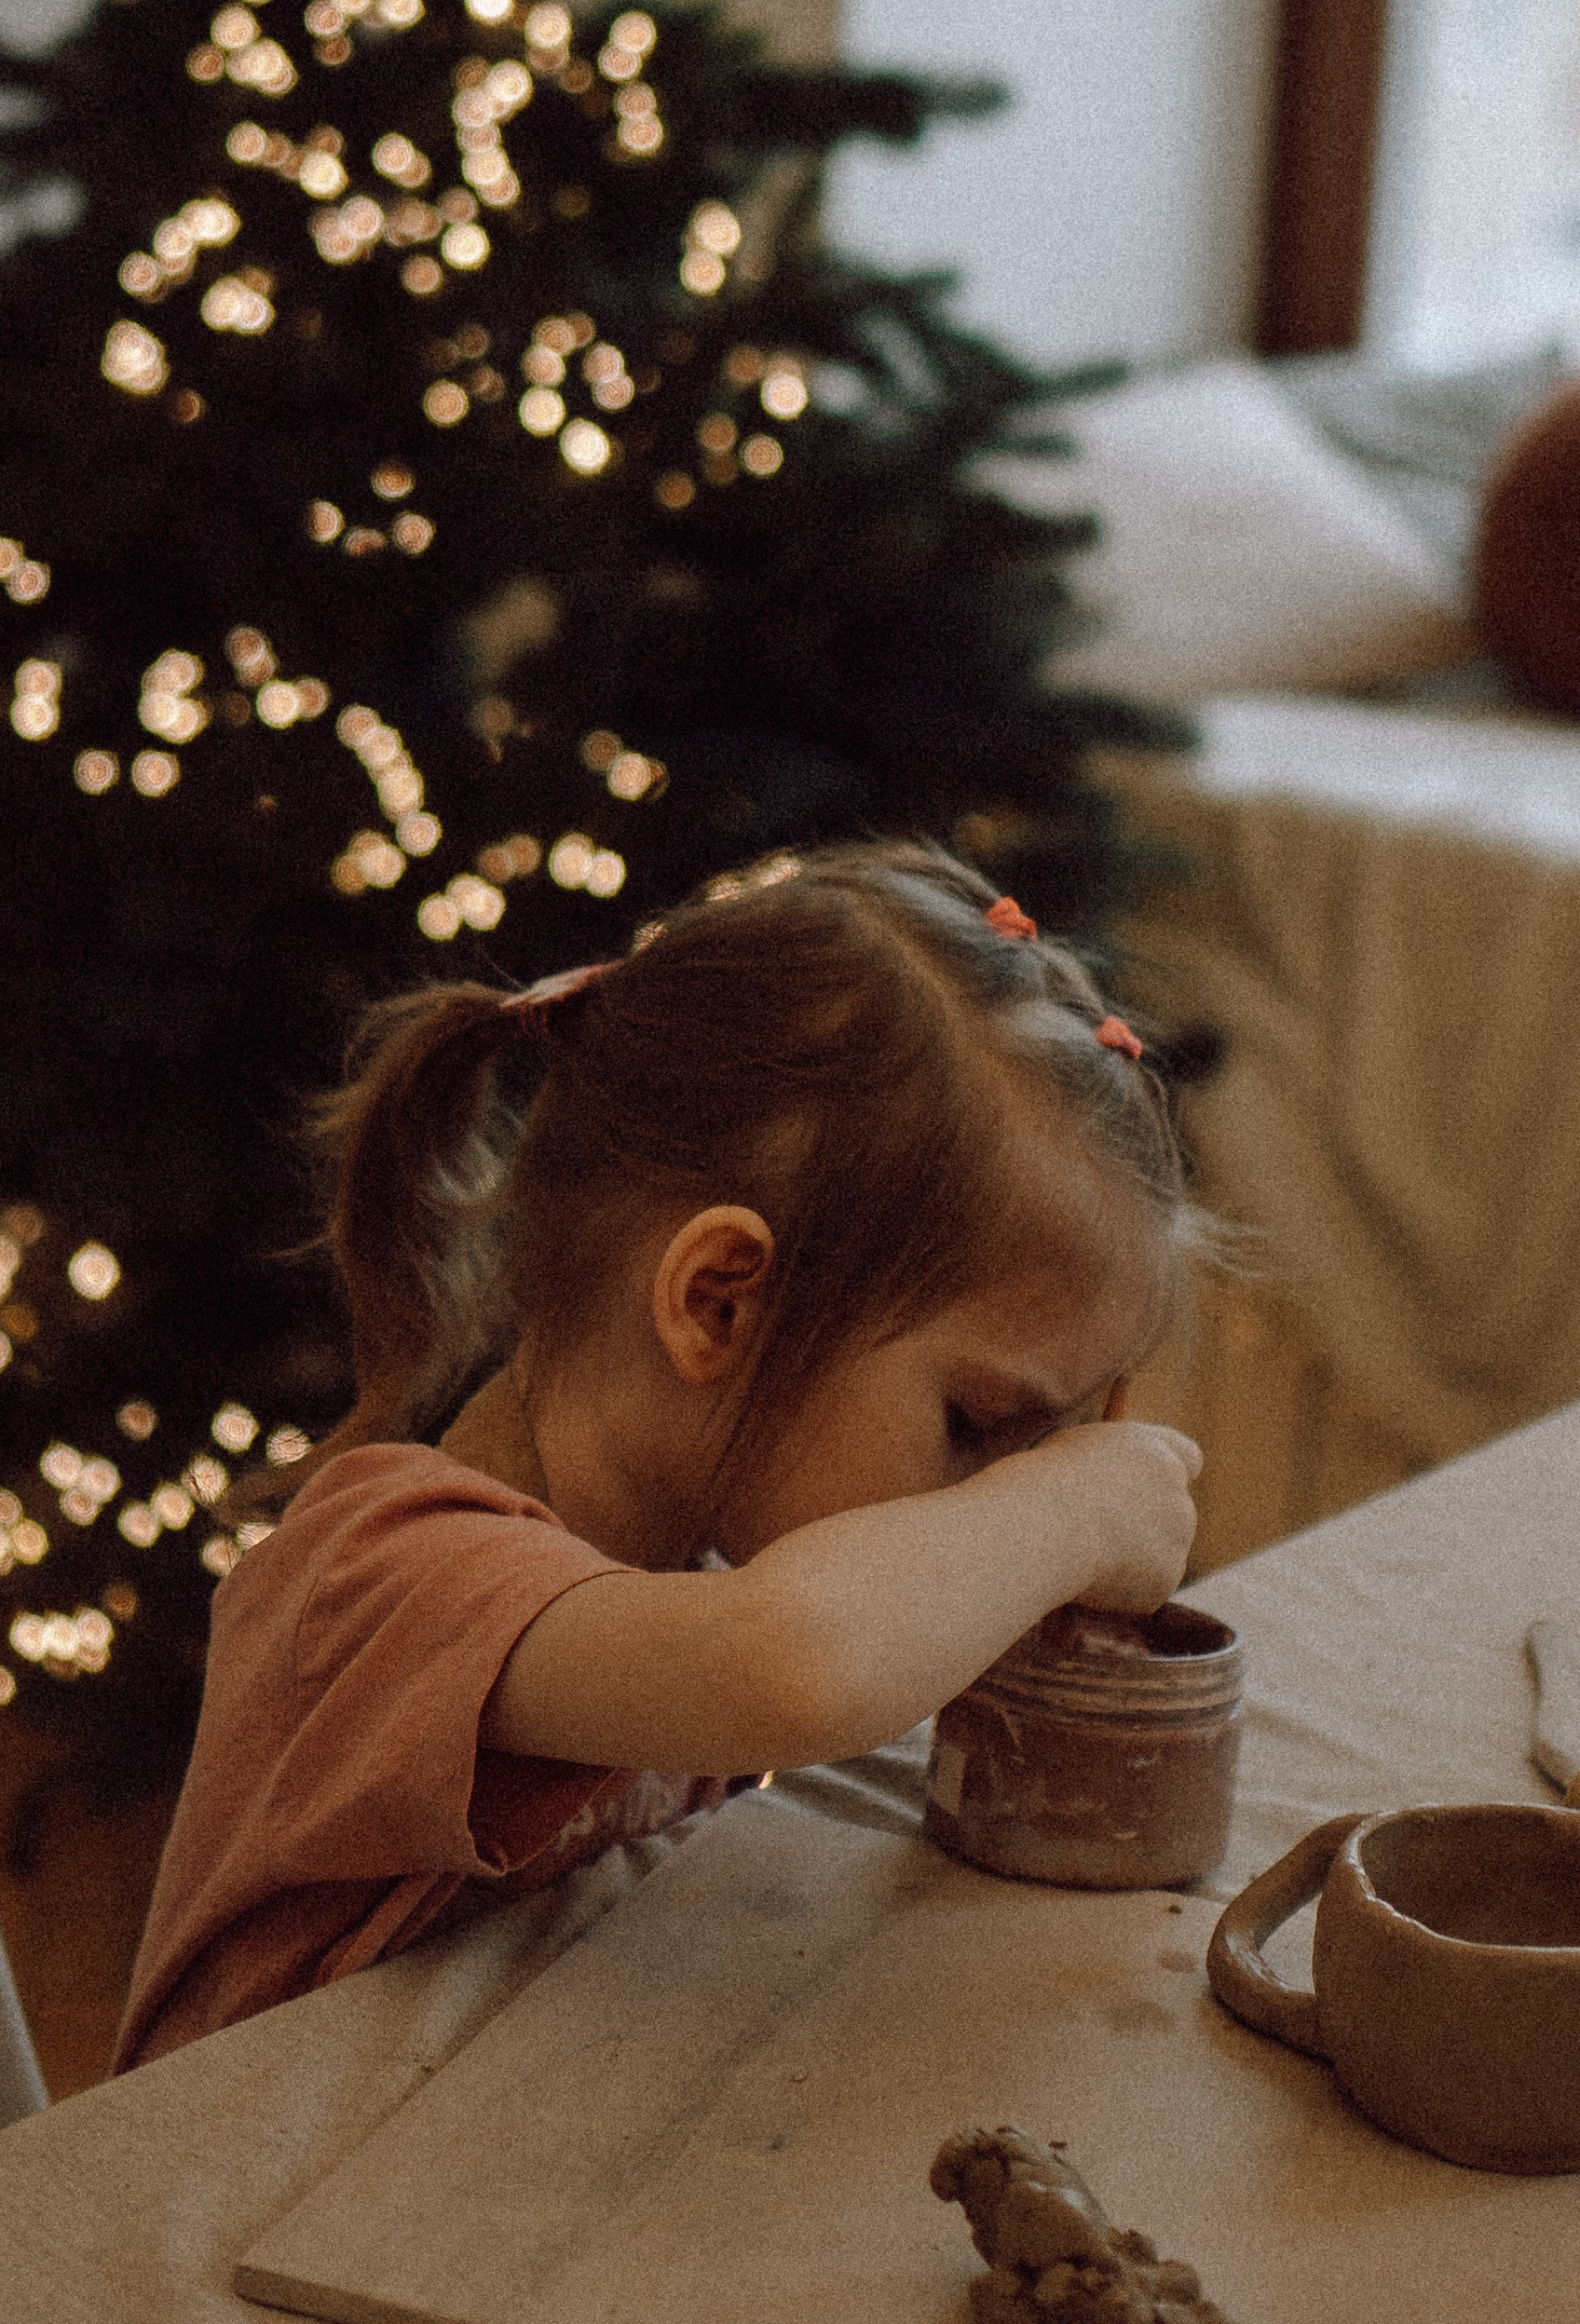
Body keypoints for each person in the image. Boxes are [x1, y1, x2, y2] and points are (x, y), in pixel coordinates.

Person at [115, 841, 1205, 2070]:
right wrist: (1063, 1516)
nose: (996, 1484)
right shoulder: (393, 1579)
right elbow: (793, 1669)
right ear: (720, 1304)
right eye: (975, 1423)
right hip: (219, 2221)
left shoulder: (675, 1580)